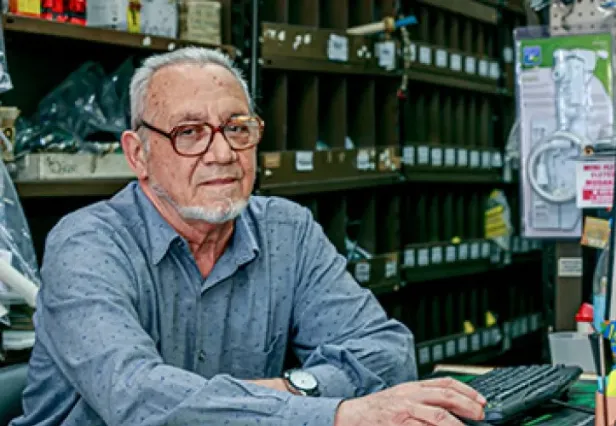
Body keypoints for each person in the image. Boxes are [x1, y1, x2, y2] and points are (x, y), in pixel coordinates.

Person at [11, 47, 486, 426]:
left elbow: (387, 354)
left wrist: (289, 389)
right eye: (190, 133)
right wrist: (335, 412)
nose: (222, 152)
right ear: (138, 155)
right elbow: (136, 398)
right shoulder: (88, 244)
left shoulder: (287, 230)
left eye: (238, 128)